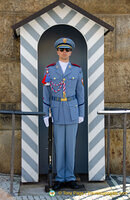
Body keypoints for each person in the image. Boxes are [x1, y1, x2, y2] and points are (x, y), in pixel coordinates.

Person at [42, 37, 85, 190]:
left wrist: (81, 112)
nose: (64, 52)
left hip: (73, 110)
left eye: (67, 49)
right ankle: (60, 178)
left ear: (71, 52)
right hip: (57, 110)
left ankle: (70, 177)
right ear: (57, 51)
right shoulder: (50, 70)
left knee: (70, 146)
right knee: (59, 146)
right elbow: (46, 93)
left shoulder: (77, 70)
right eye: (61, 49)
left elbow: (80, 93)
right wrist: (45, 114)